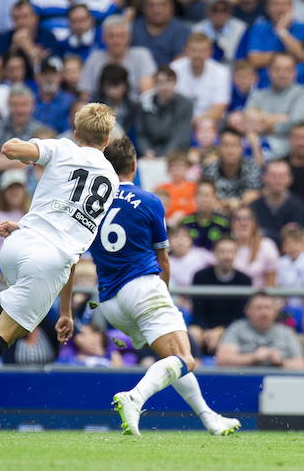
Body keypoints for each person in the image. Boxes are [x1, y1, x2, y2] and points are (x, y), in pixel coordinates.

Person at [0, 102, 120, 436]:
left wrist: (21, 151)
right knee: (2, 339)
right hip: (50, 259)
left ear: (76, 133)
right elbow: (70, 244)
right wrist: (66, 310)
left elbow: (10, 148)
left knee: (8, 301)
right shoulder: (112, 180)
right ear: (107, 140)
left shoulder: (61, 148)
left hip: (17, 243)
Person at [83, 136, 240, 436]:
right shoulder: (150, 200)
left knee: (173, 359)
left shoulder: (92, 203)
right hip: (142, 288)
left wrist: (66, 311)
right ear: (134, 165)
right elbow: (164, 260)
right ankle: (134, 398)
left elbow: (73, 259)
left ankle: (209, 418)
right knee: (185, 358)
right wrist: (162, 293)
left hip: (109, 302)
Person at [244, 53, 304, 159]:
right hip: (255, 149)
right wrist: (282, 117)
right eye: (277, 69)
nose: (282, 74)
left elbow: (297, 123)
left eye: (287, 70)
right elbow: (248, 121)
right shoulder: (257, 95)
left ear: (294, 72)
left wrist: (263, 121)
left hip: (288, 156)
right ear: (269, 71)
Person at [215, 291, 304, 369]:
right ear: (247, 310)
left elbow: (301, 365)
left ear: (275, 311)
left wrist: (281, 363)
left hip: (279, 383)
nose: (264, 313)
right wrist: (253, 358)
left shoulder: (286, 332)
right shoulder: (237, 328)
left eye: (267, 308)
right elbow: (222, 359)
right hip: (243, 380)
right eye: (258, 308)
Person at [191, 236, 251, 353]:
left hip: (232, 327)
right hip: (203, 327)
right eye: (222, 251)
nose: (227, 256)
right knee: (193, 333)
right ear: (214, 253)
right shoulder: (200, 276)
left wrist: (220, 331)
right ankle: (196, 368)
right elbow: (198, 310)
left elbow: (240, 315)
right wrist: (207, 331)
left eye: (231, 252)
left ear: (236, 254)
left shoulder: (244, 280)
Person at [78, 15, 157, 102]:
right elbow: (85, 95)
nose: (116, 41)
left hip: (135, 109)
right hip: (101, 110)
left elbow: (147, 93)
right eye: (111, 36)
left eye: (121, 36)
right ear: (103, 39)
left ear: (129, 38)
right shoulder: (94, 58)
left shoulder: (141, 55)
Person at [171, 32, 231, 122]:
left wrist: (194, 121)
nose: (197, 55)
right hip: (178, 121)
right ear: (185, 50)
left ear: (210, 52)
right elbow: (169, 104)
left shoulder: (221, 72)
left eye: (203, 51)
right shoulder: (174, 69)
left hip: (209, 122)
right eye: (193, 50)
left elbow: (218, 110)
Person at [136, 67, 194, 157]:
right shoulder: (145, 103)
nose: (165, 86)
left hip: (174, 155)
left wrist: (165, 156)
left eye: (169, 81)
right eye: (161, 82)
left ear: (175, 83)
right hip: (149, 155)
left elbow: (180, 135)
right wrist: (147, 151)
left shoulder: (186, 104)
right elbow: (141, 133)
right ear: (154, 84)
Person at [202, 128, 262, 212]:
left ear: (241, 149)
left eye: (234, 145)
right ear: (219, 148)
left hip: (244, 212)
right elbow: (207, 196)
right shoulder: (209, 168)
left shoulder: (251, 167)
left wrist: (238, 204)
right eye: (225, 145)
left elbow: (253, 194)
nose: (230, 151)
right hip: (217, 213)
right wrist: (225, 205)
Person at [250, 160, 304, 245]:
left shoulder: (298, 206)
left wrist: (264, 233)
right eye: (273, 176)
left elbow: (294, 238)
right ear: (264, 178)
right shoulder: (255, 206)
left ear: (290, 179)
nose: (278, 180)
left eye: (282, 176)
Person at [131, 0, 192, 67]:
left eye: (162, 5)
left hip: (171, 76)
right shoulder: (133, 28)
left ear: (171, 8)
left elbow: (181, 61)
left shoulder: (183, 31)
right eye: (151, 5)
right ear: (144, 8)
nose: (156, 10)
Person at [231, 205, 279, 288]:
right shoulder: (226, 246)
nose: (243, 223)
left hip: (259, 298)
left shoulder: (267, 245)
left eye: (247, 218)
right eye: (238, 219)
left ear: (254, 223)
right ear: (232, 224)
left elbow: (271, 284)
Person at [192, 0, 246, 64]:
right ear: (207, 11)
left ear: (230, 11)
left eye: (224, 10)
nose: (219, 14)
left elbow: (241, 59)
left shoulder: (240, 28)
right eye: (215, 10)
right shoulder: (197, 30)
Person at [181, 180, 231, 251]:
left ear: (215, 198)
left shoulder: (224, 223)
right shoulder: (185, 222)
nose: (204, 199)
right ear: (195, 197)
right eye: (201, 195)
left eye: (208, 195)